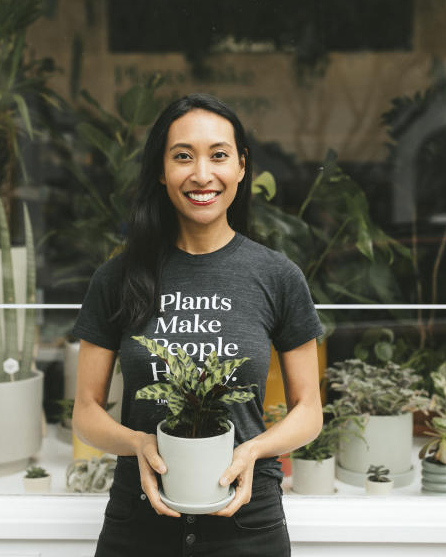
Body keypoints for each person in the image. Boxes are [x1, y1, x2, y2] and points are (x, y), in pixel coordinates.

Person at [71, 93, 324, 557]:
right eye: (183, 156)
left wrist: (251, 451)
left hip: (247, 520)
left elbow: (309, 410)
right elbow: (86, 411)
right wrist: (139, 443)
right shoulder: (118, 277)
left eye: (219, 156)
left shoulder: (276, 275)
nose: (202, 174)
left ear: (241, 167)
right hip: (139, 518)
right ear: (161, 171)